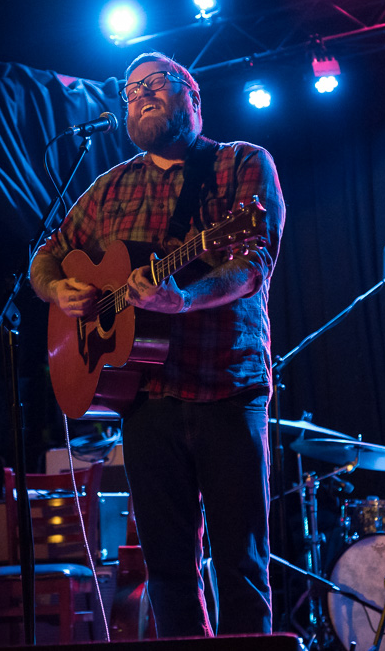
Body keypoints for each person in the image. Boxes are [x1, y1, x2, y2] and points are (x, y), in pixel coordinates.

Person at [29, 51, 285, 637]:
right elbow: (45, 255)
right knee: (168, 570)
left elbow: (252, 265)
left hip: (226, 386)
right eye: (129, 90)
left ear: (191, 95)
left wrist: (184, 300)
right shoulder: (108, 187)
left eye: (154, 84)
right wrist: (58, 290)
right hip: (145, 399)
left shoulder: (241, 164)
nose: (139, 95)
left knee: (240, 566)